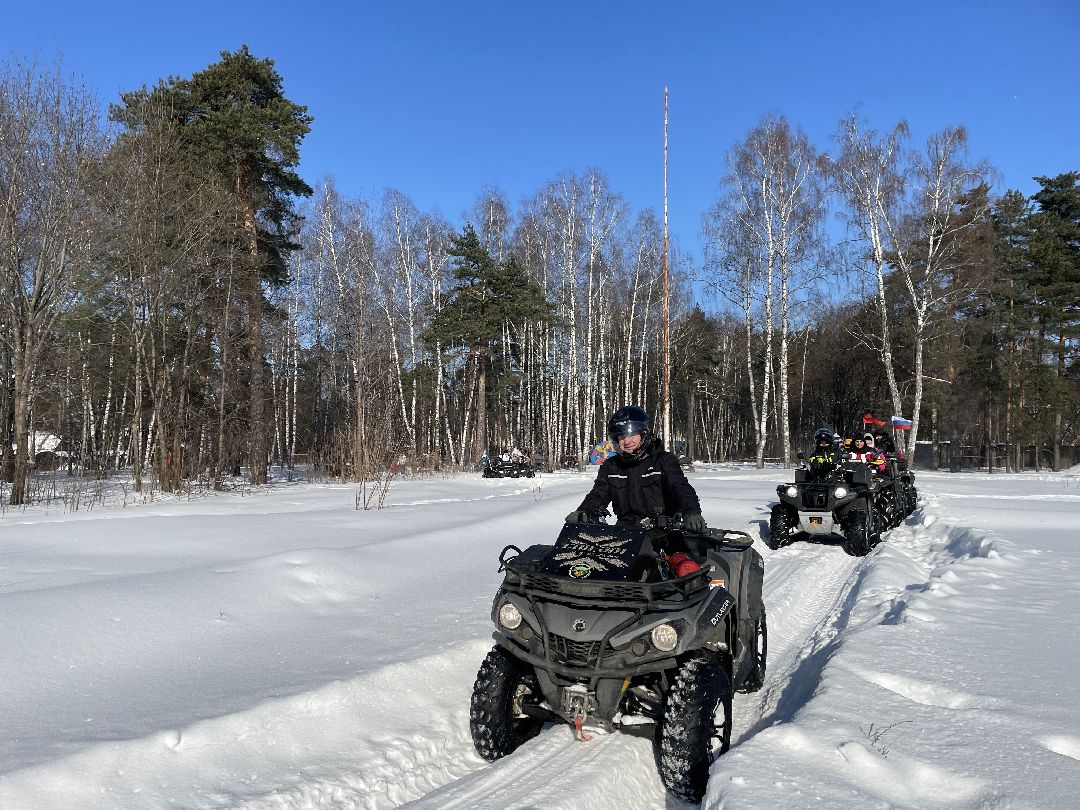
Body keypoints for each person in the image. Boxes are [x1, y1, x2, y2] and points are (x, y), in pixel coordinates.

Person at [565, 405, 705, 531]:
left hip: (662, 533)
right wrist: (583, 511)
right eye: (621, 436)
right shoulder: (611, 466)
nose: (627, 441)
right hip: (626, 532)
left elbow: (680, 487)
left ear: (643, 434)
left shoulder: (662, 460)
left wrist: (691, 511)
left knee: (683, 559)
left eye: (632, 435)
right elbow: (598, 495)